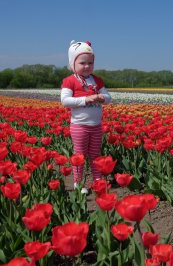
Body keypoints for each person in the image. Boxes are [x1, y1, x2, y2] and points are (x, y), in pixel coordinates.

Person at [60, 40, 111, 194]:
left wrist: (103, 98)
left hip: (96, 125)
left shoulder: (96, 80)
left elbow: (108, 98)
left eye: (90, 62)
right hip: (79, 126)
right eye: (82, 63)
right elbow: (65, 101)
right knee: (79, 156)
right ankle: (78, 182)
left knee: (95, 155)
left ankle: (97, 181)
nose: (87, 66)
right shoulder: (69, 81)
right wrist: (85, 99)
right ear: (73, 63)